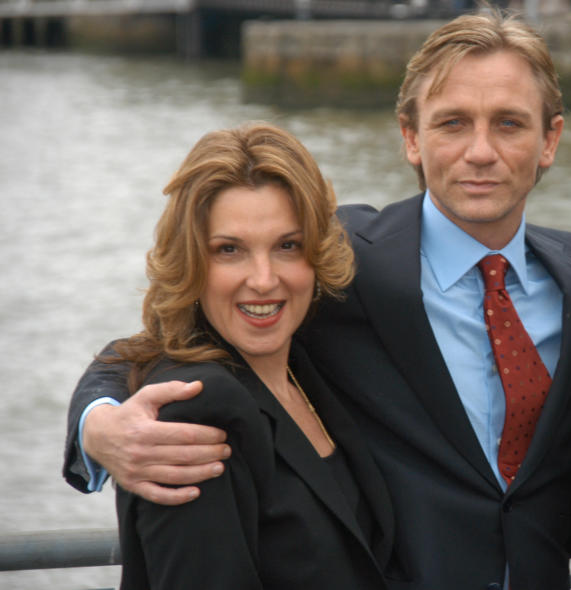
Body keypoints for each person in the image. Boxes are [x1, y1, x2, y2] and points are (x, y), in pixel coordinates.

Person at [63, 12, 571, 590]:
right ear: (411, 139)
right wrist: (99, 430)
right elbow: (165, 336)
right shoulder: (334, 262)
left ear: (551, 140)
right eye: (452, 123)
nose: (480, 152)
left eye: (509, 124)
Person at [101, 123, 395, 589]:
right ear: (192, 263)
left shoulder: (307, 364)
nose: (262, 279)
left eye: (287, 246)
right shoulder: (194, 412)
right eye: (229, 250)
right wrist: (95, 425)